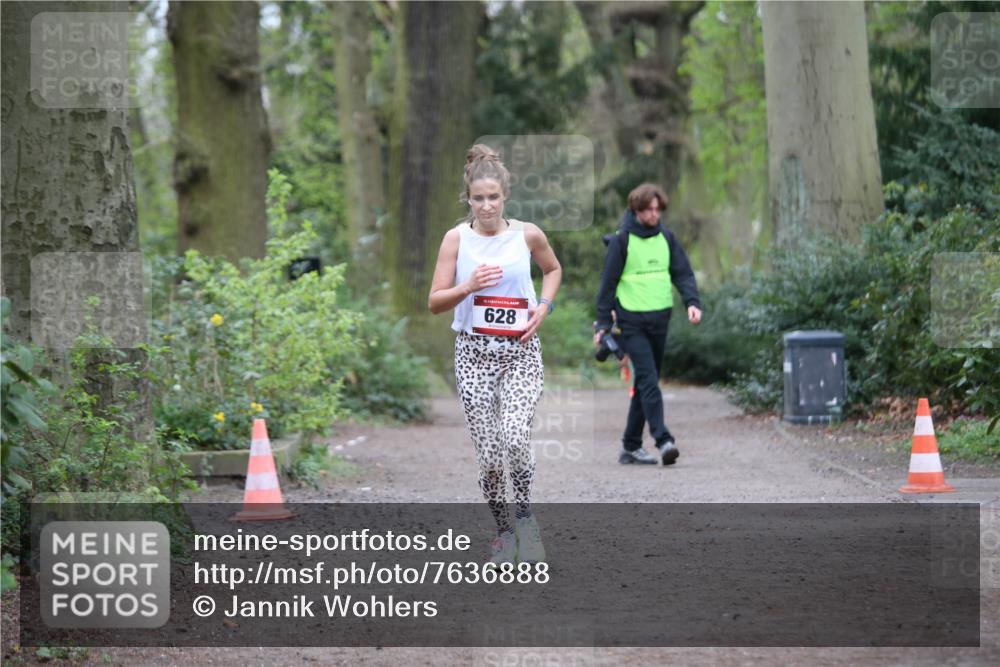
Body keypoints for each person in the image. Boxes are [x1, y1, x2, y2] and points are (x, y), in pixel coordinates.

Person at [428, 144, 562, 565]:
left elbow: (553, 269)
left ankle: (525, 521)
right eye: (478, 198)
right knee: (489, 458)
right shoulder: (456, 239)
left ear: (505, 196)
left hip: (520, 353)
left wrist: (543, 307)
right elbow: (434, 302)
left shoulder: (528, 234)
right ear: (468, 199)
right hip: (473, 356)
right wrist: (468, 286)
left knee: (516, 437)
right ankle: (504, 533)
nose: (486, 206)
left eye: (493, 197)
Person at [594, 183, 702, 466]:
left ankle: (630, 447)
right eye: (648, 209)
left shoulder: (667, 238)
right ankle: (663, 439)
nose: (654, 214)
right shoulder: (621, 241)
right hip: (631, 322)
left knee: (645, 383)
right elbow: (607, 285)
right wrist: (602, 324)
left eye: (657, 209)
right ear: (636, 210)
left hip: (660, 320)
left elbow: (683, 273)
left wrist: (692, 302)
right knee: (649, 379)